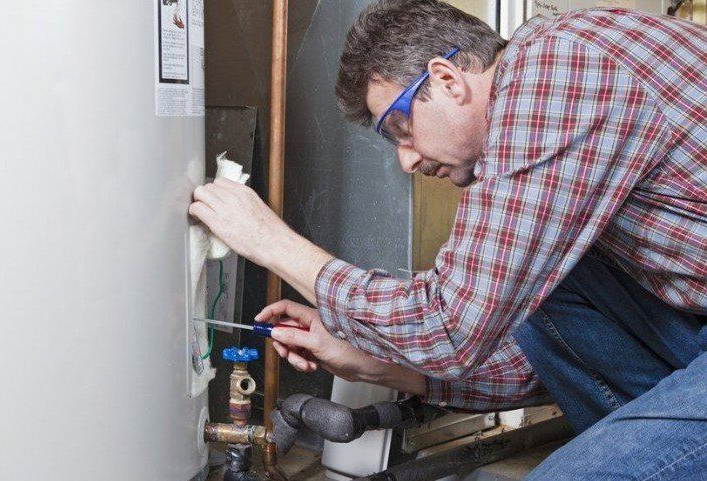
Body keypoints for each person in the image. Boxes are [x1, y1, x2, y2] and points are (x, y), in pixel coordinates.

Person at [190, 1, 706, 479]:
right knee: (531, 295)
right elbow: (553, 360)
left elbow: (450, 327)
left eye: (398, 128)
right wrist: (377, 365)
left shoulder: (558, 71)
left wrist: (271, 242)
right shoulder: (556, 67)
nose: (406, 160)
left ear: (446, 79)